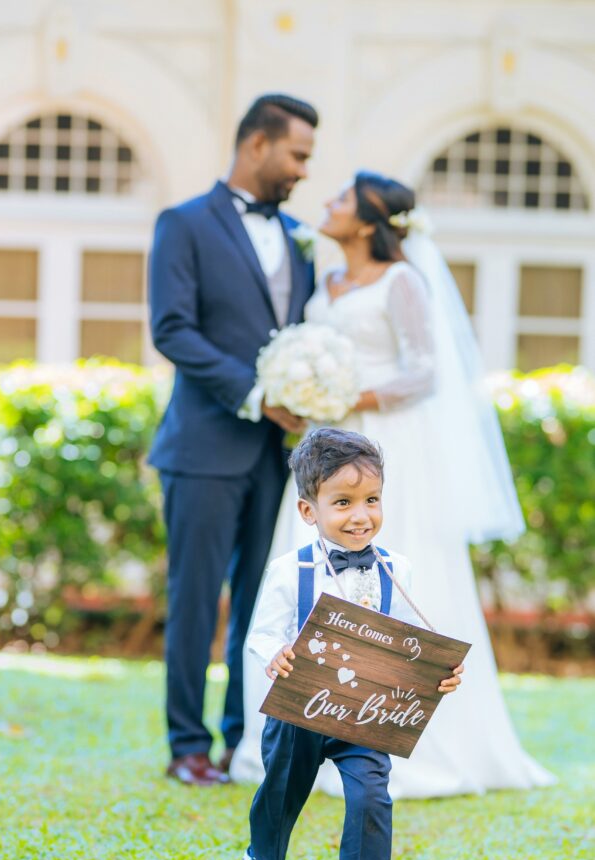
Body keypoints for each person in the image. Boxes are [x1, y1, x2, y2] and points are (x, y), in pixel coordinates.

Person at [231, 171, 555, 798]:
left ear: (367, 219)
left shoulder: (402, 280)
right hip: (326, 448)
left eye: (341, 198)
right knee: (306, 574)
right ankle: (300, 731)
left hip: (385, 441)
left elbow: (424, 373)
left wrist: (345, 396)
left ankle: (395, 733)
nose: (328, 202)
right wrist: (306, 396)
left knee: (393, 576)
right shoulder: (327, 281)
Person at [233, 428, 464, 860]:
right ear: (308, 511)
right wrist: (275, 652)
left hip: (364, 714)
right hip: (299, 708)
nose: (361, 516)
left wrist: (437, 673)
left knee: (371, 796)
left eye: (372, 500)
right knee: (282, 789)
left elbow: (411, 641)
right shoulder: (289, 570)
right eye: (343, 503)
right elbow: (262, 633)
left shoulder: (396, 570)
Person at [149, 94, 318, 785]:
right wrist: (255, 395)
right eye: (297, 154)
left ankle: (243, 739)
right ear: (257, 144)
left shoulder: (302, 235)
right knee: (195, 599)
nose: (303, 169)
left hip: (280, 457)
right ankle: (187, 745)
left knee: (263, 600)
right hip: (203, 448)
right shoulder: (184, 223)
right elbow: (172, 328)